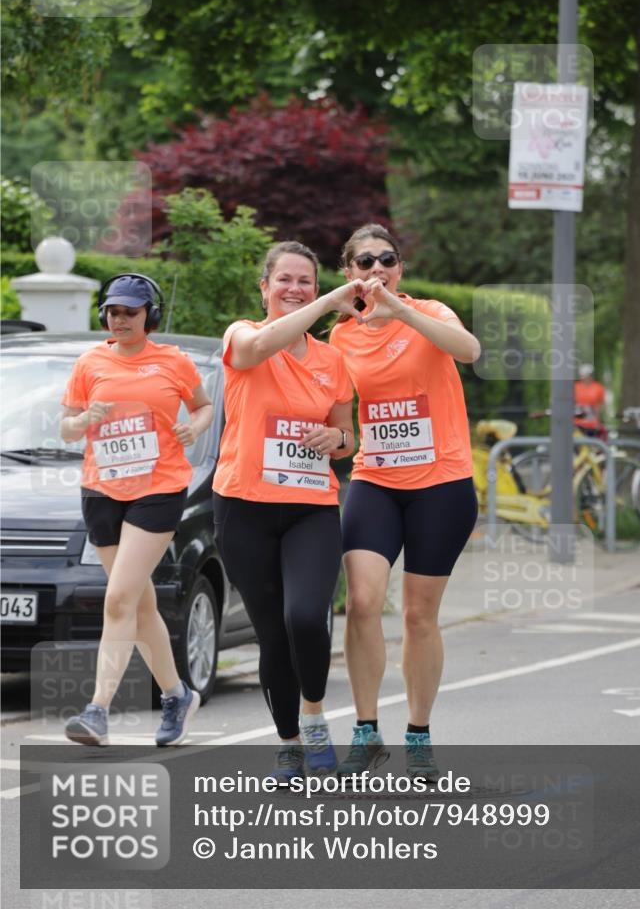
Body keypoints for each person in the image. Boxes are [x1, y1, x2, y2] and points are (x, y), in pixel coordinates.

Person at [329, 224, 480, 781]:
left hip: (441, 483)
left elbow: (469, 351)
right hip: (376, 478)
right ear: (348, 273)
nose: (376, 268)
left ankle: (419, 734)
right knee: (363, 602)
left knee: (419, 614)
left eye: (386, 259)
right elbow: (339, 419)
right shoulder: (341, 338)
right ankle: (366, 732)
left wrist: (402, 314)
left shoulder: (433, 312)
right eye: (364, 261)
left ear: (399, 269)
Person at [213, 241, 360, 782]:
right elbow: (255, 352)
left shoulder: (332, 360)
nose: (295, 288)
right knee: (272, 632)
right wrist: (322, 310)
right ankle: (289, 744)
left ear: (315, 288)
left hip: (310, 508)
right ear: (265, 287)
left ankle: (316, 716)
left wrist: (335, 436)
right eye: (285, 280)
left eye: (306, 282)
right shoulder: (242, 335)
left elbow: (347, 438)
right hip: (243, 507)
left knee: (305, 616)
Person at [60, 274, 214, 746]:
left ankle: (97, 710)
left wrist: (194, 428)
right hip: (102, 491)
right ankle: (176, 694)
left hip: (158, 489)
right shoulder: (90, 362)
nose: (120, 318)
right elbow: (67, 428)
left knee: (119, 599)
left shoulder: (173, 361)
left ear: (150, 315)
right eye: (113, 311)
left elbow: (203, 406)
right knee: (139, 603)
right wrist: (85, 420)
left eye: (130, 311)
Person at [574, 364, 607, 435]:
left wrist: (598, 421)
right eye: (582, 375)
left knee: (591, 444)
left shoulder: (598, 388)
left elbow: (600, 405)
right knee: (578, 444)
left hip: (592, 424)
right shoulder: (575, 387)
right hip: (577, 423)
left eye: (586, 375)